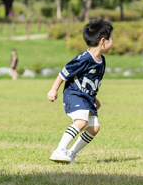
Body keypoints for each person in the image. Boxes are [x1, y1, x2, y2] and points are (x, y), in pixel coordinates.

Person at [47, 19, 114, 164]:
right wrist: (54, 89)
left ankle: (70, 154)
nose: (113, 42)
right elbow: (63, 73)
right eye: (112, 38)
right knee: (81, 122)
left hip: (87, 98)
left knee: (94, 128)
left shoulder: (101, 61)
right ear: (103, 41)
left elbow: (91, 81)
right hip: (74, 95)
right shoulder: (83, 59)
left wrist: (94, 97)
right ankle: (59, 150)